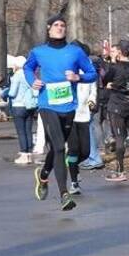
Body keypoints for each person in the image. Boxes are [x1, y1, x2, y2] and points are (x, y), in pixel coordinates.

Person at [23, 14, 98, 211]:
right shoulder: (39, 52)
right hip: (47, 105)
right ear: (48, 29)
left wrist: (77, 77)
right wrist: (33, 81)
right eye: (56, 25)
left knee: (57, 149)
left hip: (68, 106)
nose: (60, 28)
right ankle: (64, 194)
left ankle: (43, 174)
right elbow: (28, 68)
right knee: (58, 148)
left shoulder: (75, 52)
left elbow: (92, 74)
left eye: (63, 25)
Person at [102, 39, 129, 183]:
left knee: (120, 138)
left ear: (120, 51)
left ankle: (121, 171)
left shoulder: (115, 67)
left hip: (117, 106)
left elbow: (105, 80)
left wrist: (112, 85)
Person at [66, 41, 98, 195]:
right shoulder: (66, 68)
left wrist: (92, 101)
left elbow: (93, 88)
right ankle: (74, 182)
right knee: (73, 149)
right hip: (69, 114)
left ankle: (72, 165)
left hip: (84, 114)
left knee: (85, 151)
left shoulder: (88, 69)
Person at [8, 56, 38, 164]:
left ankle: (23, 154)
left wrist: (7, 94)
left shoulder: (17, 75)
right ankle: (29, 154)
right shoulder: (31, 74)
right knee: (28, 130)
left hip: (18, 105)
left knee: (21, 131)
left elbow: (12, 92)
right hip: (30, 105)